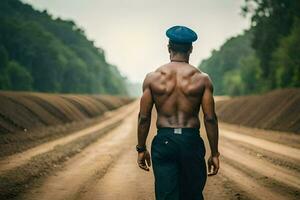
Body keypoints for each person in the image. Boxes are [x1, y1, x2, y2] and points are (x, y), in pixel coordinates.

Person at [136, 25, 220, 200]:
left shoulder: (153, 78)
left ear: (169, 48)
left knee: (167, 195)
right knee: (192, 194)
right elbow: (210, 118)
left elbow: (144, 117)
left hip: (164, 141)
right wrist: (214, 153)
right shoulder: (202, 79)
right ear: (191, 49)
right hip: (190, 141)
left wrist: (141, 148)